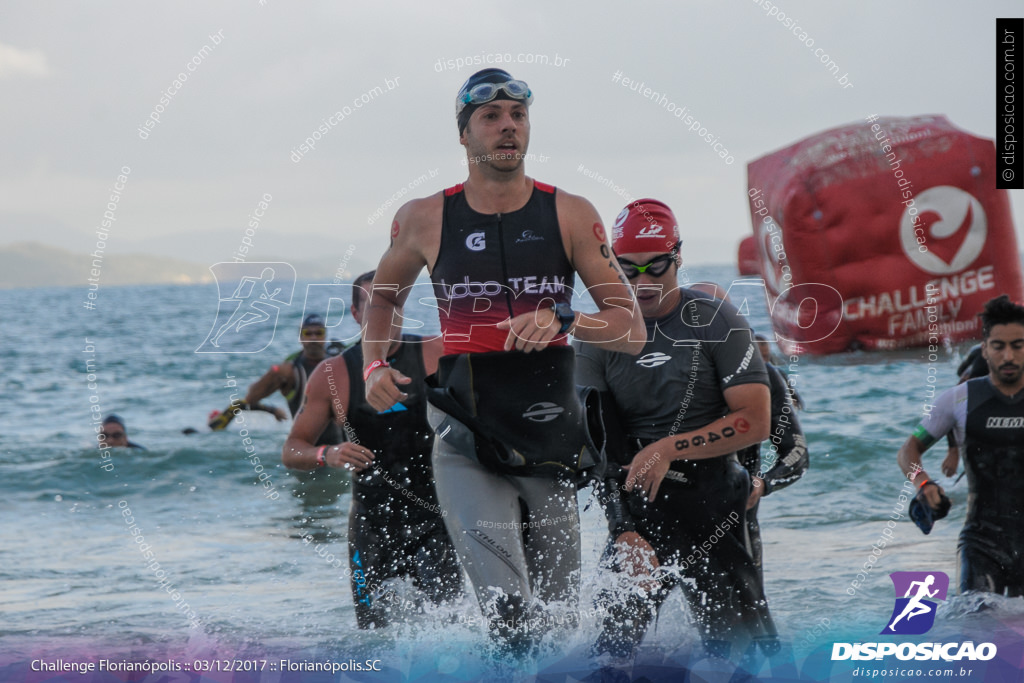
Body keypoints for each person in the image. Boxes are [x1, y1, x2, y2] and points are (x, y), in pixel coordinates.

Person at [361, 67, 645, 652]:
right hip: (468, 440)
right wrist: (372, 366)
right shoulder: (423, 218)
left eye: (517, 116)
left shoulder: (568, 213)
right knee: (511, 618)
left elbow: (630, 330)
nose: (507, 127)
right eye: (490, 117)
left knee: (558, 627)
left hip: (550, 440)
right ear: (463, 135)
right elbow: (384, 296)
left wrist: (565, 319)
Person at [575, 199, 777, 660]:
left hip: (716, 503)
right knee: (609, 652)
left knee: (747, 655)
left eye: (656, 267)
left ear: (678, 258)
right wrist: (623, 530)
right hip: (641, 508)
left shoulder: (716, 321)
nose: (643, 282)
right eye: (628, 270)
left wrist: (669, 447)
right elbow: (599, 443)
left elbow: (756, 421)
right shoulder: (595, 335)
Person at [282, 271, 462, 629]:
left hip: (435, 520)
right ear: (354, 313)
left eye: (392, 306)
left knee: (449, 631)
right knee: (373, 635)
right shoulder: (334, 374)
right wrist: (327, 455)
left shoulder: (433, 352)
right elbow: (292, 449)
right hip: (371, 525)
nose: (386, 316)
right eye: (374, 307)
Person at [896, 294, 1024, 596]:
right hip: (981, 543)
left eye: (1018, 346)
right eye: (999, 346)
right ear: (984, 350)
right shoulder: (958, 400)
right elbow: (908, 450)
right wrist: (922, 482)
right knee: (976, 628)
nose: (1009, 356)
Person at [240, 313, 342, 445]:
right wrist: (271, 410)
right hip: (309, 451)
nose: (313, 338)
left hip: (344, 447)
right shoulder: (288, 372)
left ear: (325, 335)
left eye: (319, 333)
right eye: (308, 333)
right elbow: (250, 398)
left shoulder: (339, 363)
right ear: (300, 337)